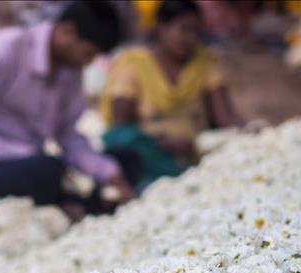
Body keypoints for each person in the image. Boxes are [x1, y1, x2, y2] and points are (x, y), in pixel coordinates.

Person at [0, 0, 139, 222]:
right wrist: (26, 154)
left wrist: (108, 173)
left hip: (41, 166)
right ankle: (72, 203)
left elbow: (68, 135)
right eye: (87, 54)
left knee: (126, 159)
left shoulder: (70, 69)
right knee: (46, 169)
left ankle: (73, 203)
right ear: (67, 31)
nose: (87, 63)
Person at [100, 0, 244, 187]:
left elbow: (225, 118)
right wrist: (161, 143)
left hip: (193, 156)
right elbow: (121, 128)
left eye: (196, 31)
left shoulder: (205, 63)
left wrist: (253, 131)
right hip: (149, 158)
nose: (191, 38)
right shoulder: (134, 65)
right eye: (184, 30)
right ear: (162, 27)